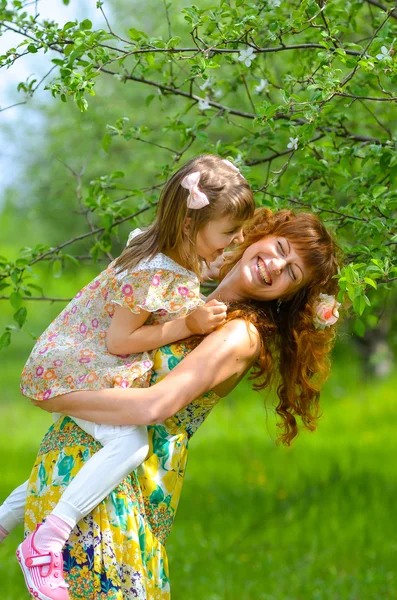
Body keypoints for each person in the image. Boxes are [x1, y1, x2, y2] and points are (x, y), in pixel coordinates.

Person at [7, 208, 341, 599]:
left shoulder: (240, 334)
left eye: (291, 273)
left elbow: (157, 406)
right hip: (73, 467)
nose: (276, 266)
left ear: (290, 295)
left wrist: (56, 397)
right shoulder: (184, 295)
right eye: (280, 248)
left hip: (125, 486)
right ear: (260, 235)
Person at [0, 154, 255, 600]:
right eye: (229, 233)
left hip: (74, 367)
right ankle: (48, 541)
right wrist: (188, 325)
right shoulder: (154, 272)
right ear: (192, 226)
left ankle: (4, 521)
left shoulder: (165, 256)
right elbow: (120, 340)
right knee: (129, 444)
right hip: (77, 370)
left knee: (83, 458)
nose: (233, 243)